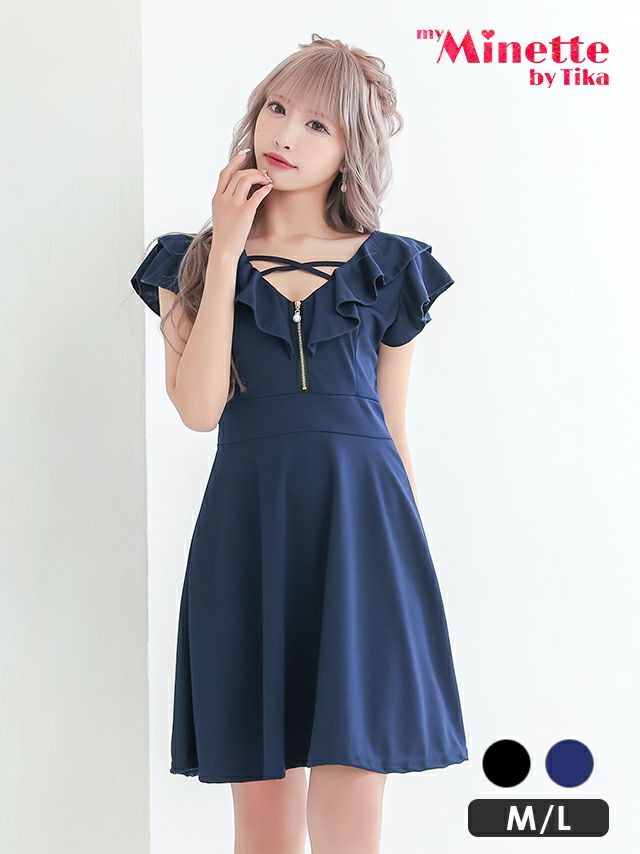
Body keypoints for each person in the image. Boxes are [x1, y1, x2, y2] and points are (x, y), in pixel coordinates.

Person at [131, 32, 468, 854]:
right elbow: (200, 409)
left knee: (353, 806)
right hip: (248, 535)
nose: (285, 135)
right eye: (277, 109)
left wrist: (405, 566)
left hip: (364, 538)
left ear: (353, 148)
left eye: (318, 124)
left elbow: (391, 427)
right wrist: (226, 246)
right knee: (264, 826)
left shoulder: (390, 267)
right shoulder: (188, 263)